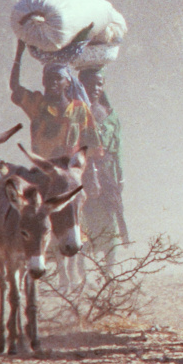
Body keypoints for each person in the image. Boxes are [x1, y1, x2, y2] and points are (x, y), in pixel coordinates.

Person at [11, 39, 93, 159]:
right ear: (43, 81)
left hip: (69, 172)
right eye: (49, 78)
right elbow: (15, 87)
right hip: (43, 169)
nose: (53, 82)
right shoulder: (37, 104)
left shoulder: (79, 109)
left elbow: (90, 144)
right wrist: (19, 53)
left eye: (58, 78)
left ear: (67, 83)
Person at [78, 66, 129, 244]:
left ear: (104, 85)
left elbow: (117, 150)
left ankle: (109, 267)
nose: (95, 89)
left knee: (110, 215)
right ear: (80, 86)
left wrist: (120, 177)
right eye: (88, 85)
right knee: (82, 216)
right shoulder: (75, 112)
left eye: (99, 84)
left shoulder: (110, 116)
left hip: (108, 174)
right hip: (83, 173)